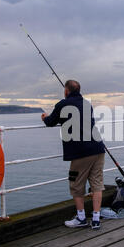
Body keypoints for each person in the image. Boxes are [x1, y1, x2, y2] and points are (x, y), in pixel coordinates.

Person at [42, 80, 105, 230]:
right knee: (97, 184)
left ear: (66, 90)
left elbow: (50, 122)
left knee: (75, 184)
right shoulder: (87, 104)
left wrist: (44, 117)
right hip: (98, 148)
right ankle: (96, 219)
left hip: (80, 152)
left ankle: (81, 217)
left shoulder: (62, 104)